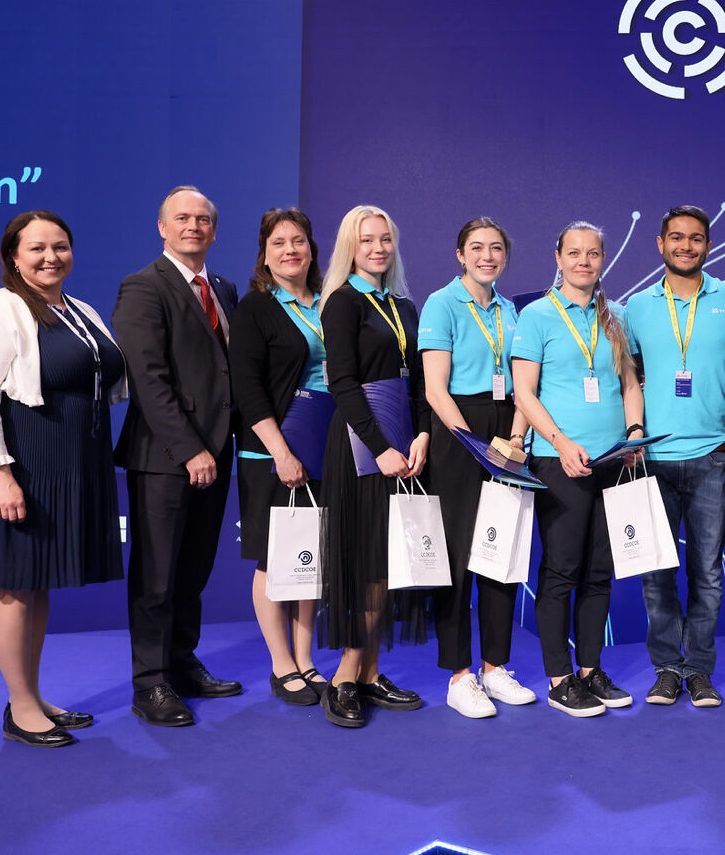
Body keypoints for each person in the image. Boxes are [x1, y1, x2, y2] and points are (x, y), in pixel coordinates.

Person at [0, 211, 127, 747]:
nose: (51, 257)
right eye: (37, 248)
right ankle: (21, 707)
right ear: (14, 256)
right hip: (25, 466)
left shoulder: (78, 310)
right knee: (16, 586)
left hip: (73, 465)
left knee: (39, 583)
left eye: (60, 246)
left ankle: (30, 695)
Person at [114, 186, 242, 727]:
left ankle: (182, 663)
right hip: (166, 457)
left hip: (218, 451)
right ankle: (151, 683)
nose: (194, 226)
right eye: (182, 218)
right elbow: (148, 380)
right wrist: (190, 450)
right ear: (163, 227)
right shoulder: (143, 286)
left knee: (193, 570)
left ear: (214, 230)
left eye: (203, 219)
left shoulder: (224, 288)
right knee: (157, 576)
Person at [510, 222, 645, 717]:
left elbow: (630, 383)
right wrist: (561, 443)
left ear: (603, 259)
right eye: (574, 253)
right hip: (559, 459)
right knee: (562, 569)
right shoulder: (537, 316)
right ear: (558, 257)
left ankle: (590, 670)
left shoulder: (617, 316)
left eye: (592, 254)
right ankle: (559, 678)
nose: (583, 262)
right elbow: (524, 392)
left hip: (612, 457)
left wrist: (634, 432)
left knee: (600, 570)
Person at [624, 205, 725, 709]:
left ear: (708, 246)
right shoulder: (636, 307)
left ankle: (698, 669)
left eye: (696, 238)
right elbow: (628, 377)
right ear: (660, 244)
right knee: (655, 572)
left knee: (708, 572)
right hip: (651, 456)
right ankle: (666, 669)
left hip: (712, 454)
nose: (686, 246)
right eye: (676, 237)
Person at [419, 217, 538, 718]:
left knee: (500, 551)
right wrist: (472, 442)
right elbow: (434, 389)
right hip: (458, 433)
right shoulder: (441, 303)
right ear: (460, 254)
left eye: (495, 248)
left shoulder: (511, 310)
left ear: (505, 256)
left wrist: (516, 437)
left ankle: (495, 667)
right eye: (476, 248)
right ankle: (459, 675)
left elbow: (524, 385)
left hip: (506, 429)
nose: (486, 256)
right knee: (457, 557)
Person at [317, 205, 430, 727]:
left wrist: (422, 434)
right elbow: (342, 383)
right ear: (351, 247)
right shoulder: (342, 302)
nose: (378, 248)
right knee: (364, 563)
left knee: (387, 564)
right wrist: (380, 446)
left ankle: (370, 674)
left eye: (385, 239)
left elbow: (418, 380)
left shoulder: (404, 306)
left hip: (405, 446)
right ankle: (344, 676)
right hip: (363, 448)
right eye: (367, 241)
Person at [228, 208, 331, 707]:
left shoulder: (331, 302)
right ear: (264, 255)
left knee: (311, 555)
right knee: (275, 556)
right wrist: (282, 453)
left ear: (312, 249)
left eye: (298, 241)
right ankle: (281, 663)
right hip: (271, 451)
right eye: (278, 243)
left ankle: (306, 658)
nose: (290, 250)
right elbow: (248, 390)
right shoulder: (256, 308)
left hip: (323, 446)